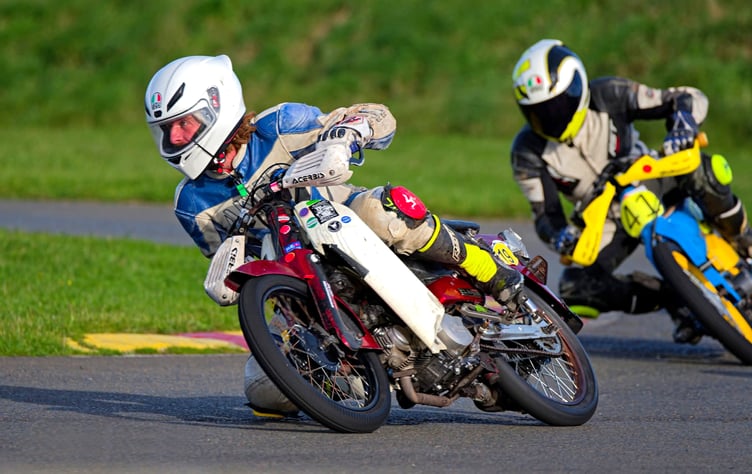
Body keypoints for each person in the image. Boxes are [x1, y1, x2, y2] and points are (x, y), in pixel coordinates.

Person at [144, 55, 523, 416]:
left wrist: (345, 136)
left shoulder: (278, 124)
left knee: (381, 210)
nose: (175, 137)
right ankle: (357, 379)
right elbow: (230, 265)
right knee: (264, 388)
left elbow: (379, 116)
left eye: (185, 123)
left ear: (217, 105)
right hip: (296, 282)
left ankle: (481, 262)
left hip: (343, 217)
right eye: (167, 129)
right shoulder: (190, 203)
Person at [509, 39, 752, 344]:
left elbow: (685, 97)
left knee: (706, 171)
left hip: (651, 176)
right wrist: (561, 237)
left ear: (577, 88)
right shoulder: (526, 152)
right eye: (538, 112)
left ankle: (743, 236)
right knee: (576, 288)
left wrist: (683, 125)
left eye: (557, 105)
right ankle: (680, 302)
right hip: (604, 216)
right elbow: (546, 216)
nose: (550, 118)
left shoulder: (609, 93)